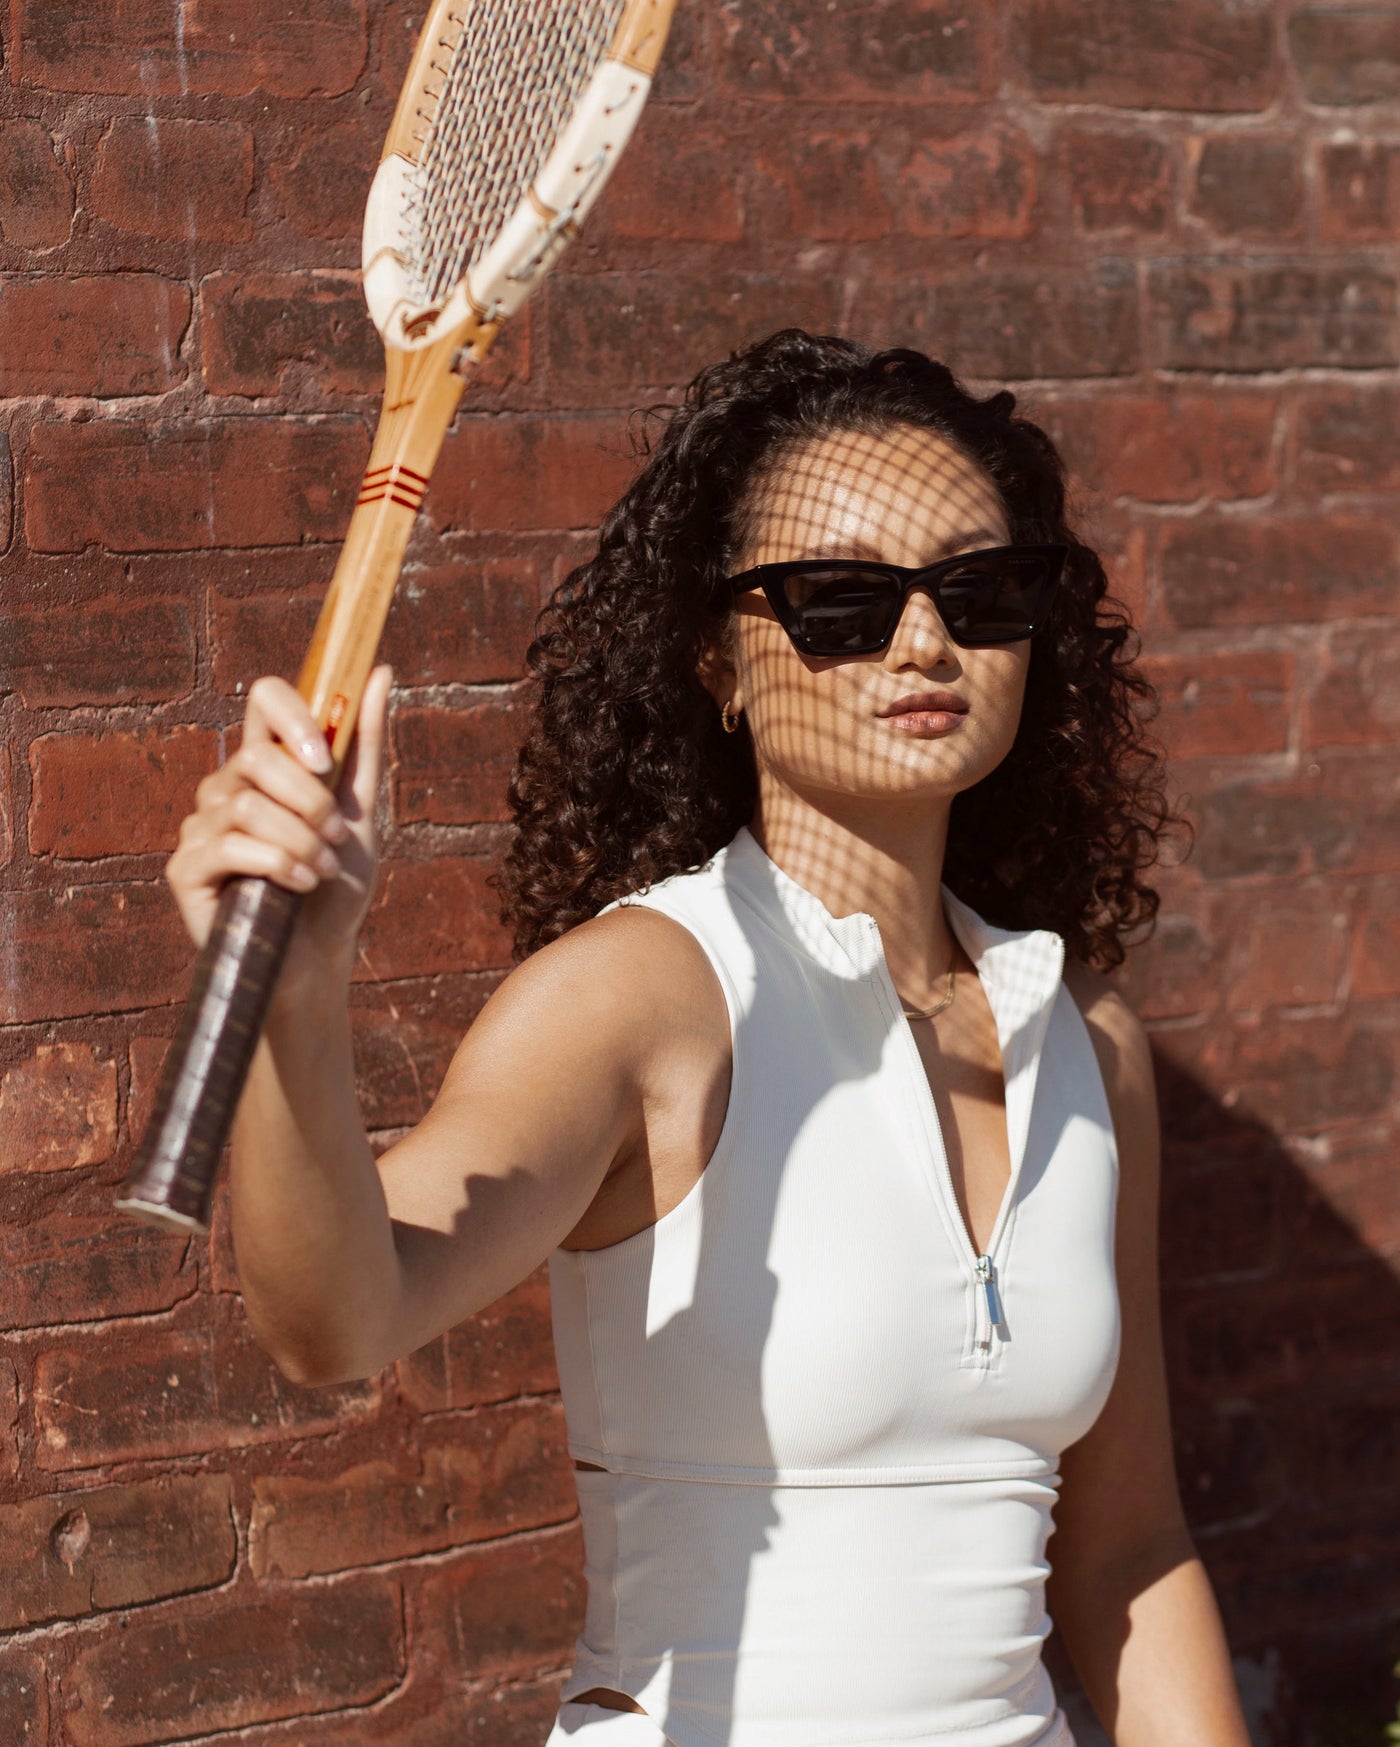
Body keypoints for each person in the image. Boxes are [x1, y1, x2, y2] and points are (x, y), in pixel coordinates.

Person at [168, 331, 1253, 1747]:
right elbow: (339, 1320)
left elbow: (1128, 1555)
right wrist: (296, 1008)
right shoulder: (642, 998)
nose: (923, 643)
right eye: (840, 604)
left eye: (980, 595)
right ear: (718, 661)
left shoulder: (1086, 1039)